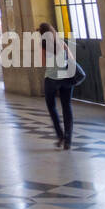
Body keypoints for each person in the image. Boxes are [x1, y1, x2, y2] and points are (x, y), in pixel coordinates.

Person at [38, 21, 75, 150]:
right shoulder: (61, 42)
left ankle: (60, 135)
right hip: (66, 78)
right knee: (67, 106)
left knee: (52, 107)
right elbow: (71, 58)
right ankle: (68, 140)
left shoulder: (43, 45)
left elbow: (43, 63)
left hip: (51, 79)